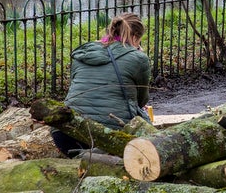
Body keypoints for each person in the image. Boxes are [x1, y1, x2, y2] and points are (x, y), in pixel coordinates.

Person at [51, 12, 152, 156]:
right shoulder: (138, 58)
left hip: (65, 134)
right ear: (135, 37)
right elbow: (141, 100)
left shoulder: (85, 52)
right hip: (107, 135)